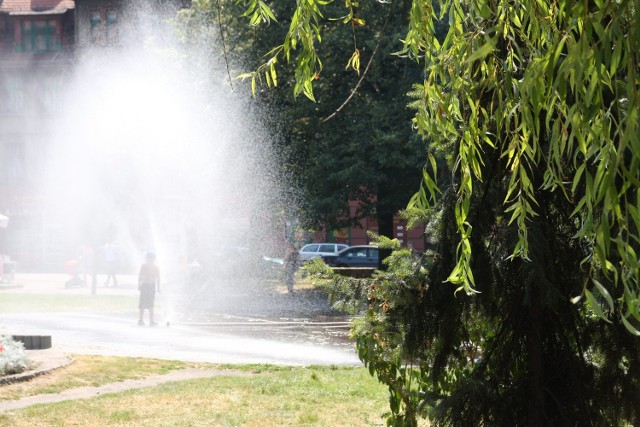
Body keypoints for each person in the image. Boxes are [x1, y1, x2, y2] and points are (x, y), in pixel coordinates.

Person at [138, 252, 160, 326]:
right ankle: (143, 320)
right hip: (147, 285)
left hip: (149, 285)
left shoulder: (154, 267)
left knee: (148, 303)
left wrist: (158, 287)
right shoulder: (145, 266)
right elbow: (140, 275)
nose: (149, 259)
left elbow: (158, 278)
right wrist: (139, 284)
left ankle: (148, 320)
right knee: (144, 303)